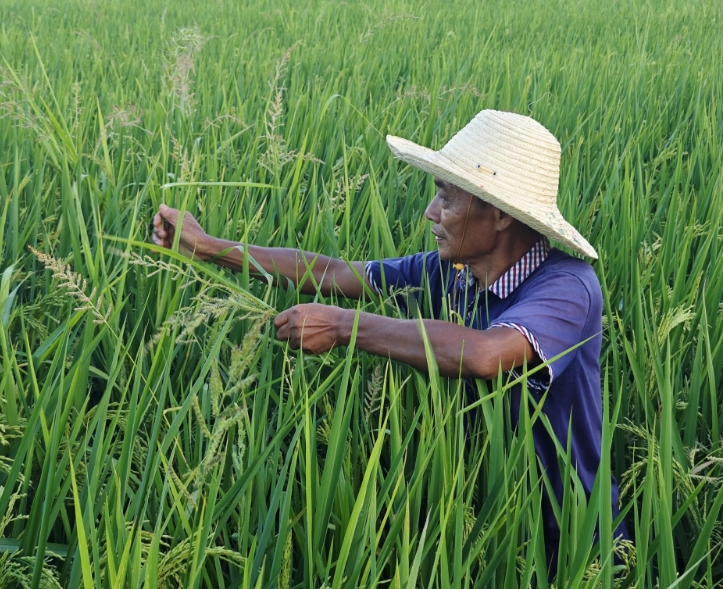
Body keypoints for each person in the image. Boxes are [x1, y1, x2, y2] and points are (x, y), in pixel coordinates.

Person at [152, 109, 628, 568]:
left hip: (576, 542)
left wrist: (343, 326)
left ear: (500, 214)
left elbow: (484, 354)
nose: (430, 212)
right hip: (488, 532)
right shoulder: (450, 274)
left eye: (447, 199)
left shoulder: (568, 286)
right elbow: (331, 273)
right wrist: (208, 247)